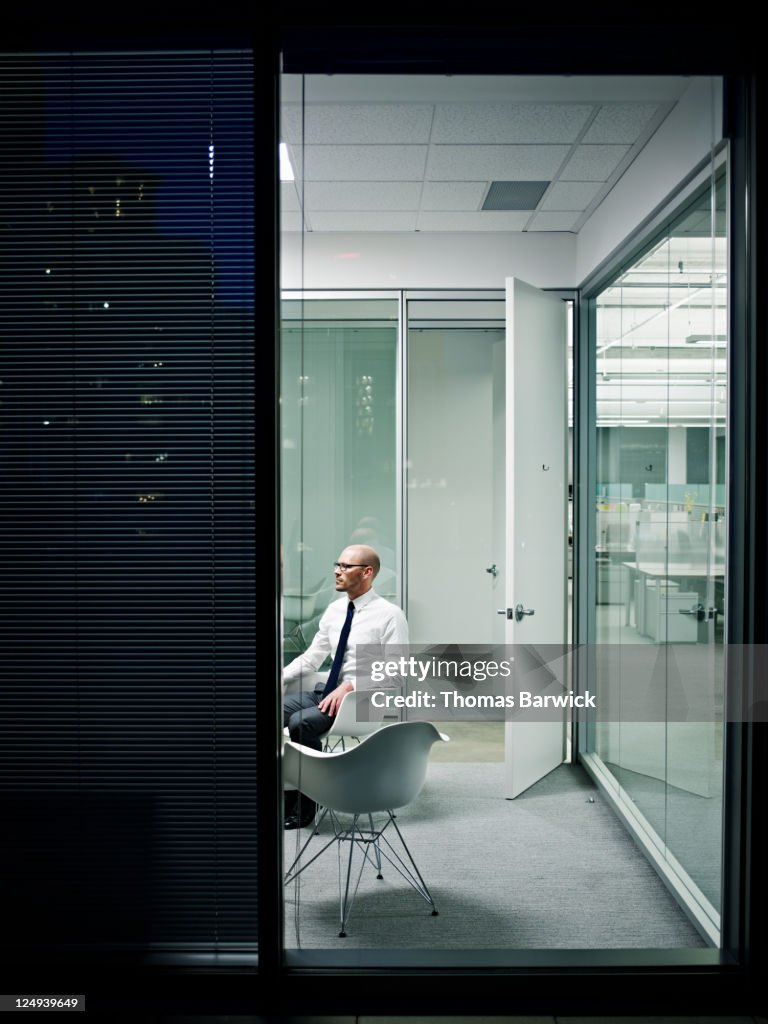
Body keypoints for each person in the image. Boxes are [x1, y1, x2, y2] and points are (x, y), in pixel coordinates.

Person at [282, 544, 408, 829]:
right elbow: (312, 657)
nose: (337, 572)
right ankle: (283, 792)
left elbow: (397, 672)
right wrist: (279, 678)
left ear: (367, 572)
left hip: (360, 702)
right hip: (326, 693)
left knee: (302, 723)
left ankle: (305, 805)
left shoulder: (389, 615)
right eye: (337, 565)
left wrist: (350, 686)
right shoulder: (335, 610)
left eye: (345, 566)